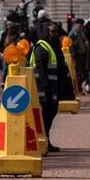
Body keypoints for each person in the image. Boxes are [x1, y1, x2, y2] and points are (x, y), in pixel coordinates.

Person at [30, 21, 66, 152]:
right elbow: (40, 69)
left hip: (54, 86)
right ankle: (43, 140)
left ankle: (46, 138)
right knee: (45, 114)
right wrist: (45, 87)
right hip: (43, 88)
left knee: (51, 113)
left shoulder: (54, 45)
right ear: (46, 31)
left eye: (56, 32)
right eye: (52, 31)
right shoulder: (42, 47)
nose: (55, 34)